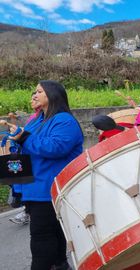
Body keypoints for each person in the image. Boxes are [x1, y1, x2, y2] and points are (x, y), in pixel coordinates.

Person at [8, 80, 83, 270]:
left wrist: (23, 138)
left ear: (52, 95)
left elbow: (55, 147)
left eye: (39, 91)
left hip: (49, 188)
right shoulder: (37, 120)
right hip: (35, 186)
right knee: (54, 233)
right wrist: (14, 140)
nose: (35, 94)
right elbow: (27, 143)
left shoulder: (64, 120)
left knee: (42, 236)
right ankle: (60, 265)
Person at [9, 92, 42, 225]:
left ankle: (26, 211)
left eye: (36, 97)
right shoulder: (34, 117)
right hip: (24, 157)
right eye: (32, 98)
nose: (31, 101)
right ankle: (26, 210)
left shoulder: (44, 118)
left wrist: (21, 137)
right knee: (16, 180)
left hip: (32, 160)